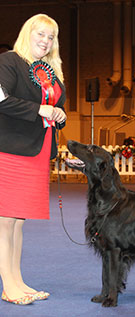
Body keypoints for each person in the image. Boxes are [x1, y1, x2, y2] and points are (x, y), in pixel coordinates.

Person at [0, 14, 67, 305]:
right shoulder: (9, 61)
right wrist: (39, 109)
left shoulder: (49, 70)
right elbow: (0, 99)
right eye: (40, 34)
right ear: (27, 33)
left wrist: (60, 115)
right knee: (4, 221)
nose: (46, 41)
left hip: (37, 150)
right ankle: (9, 285)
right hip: (9, 150)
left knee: (18, 222)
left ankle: (16, 281)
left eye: (51, 37)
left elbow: (54, 106)